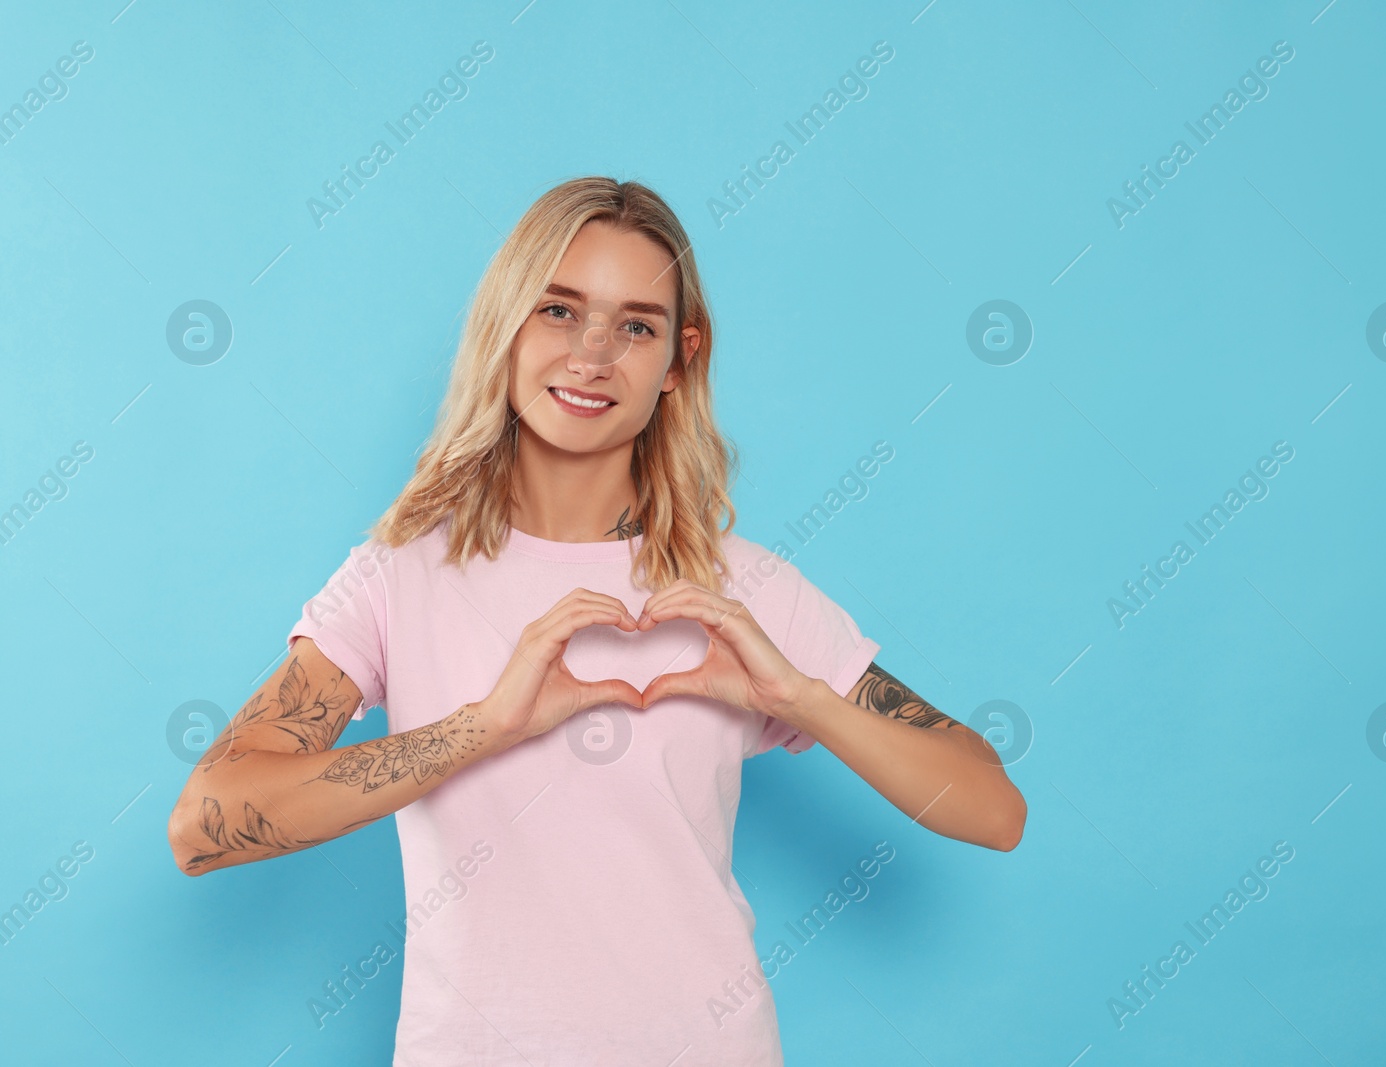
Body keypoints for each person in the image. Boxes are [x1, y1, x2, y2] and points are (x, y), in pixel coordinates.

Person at [167, 175, 1027, 1065]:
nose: (592, 355)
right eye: (557, 311)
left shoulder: (741, 588)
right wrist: (480, 728)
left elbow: (993, 807)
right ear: (505, 325)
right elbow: (204, 824)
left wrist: (802, 697)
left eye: (637, 326)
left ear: (679, 358)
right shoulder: (398, 578)